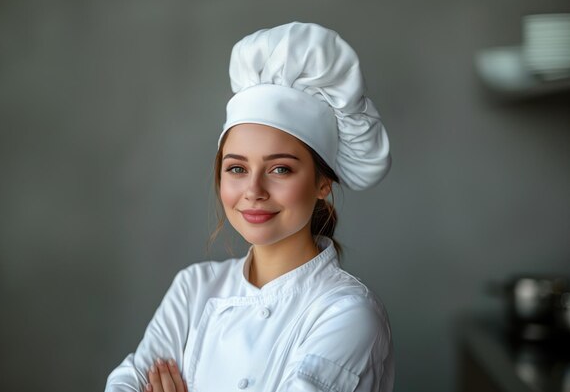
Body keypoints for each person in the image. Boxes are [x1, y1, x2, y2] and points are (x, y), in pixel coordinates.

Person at [105, 21, 393, 392]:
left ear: (323, 182)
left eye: (280, 169)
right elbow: (126, 383)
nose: (253, 190)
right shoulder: (194, 288)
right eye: (237, 168)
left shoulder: (348, 314)